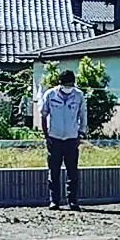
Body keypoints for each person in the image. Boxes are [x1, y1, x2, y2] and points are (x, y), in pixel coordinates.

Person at [40, 67, 88, 210]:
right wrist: (46, 135)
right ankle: (54, 200)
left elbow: (83, 115)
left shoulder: (79, 96)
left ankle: (72, 200)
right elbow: (43, 114)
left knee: (72, 172)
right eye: (66, 85)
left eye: (70, 85)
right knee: (53, 171)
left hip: (71, 139)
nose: (68, 88)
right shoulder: (50, 95)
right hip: (54, 138)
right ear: (60, 84)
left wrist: (81, 134)